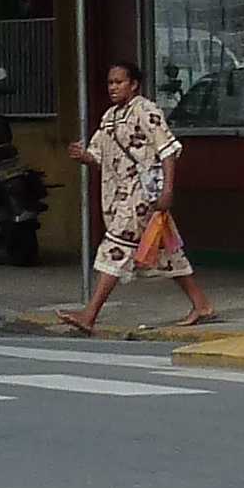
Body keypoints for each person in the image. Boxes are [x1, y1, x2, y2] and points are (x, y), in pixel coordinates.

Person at [66, 59, 219, 335]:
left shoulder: (146, 110)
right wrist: (82, 156)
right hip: (116, 196)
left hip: (139, 196)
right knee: (166, 252)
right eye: (110, 83)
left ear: (133, 84)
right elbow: (97, 156)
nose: (113, 87)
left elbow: (168, 150)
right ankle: (202, 304)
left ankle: (89, 314)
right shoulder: (110, 117)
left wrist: (167, 190)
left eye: (119, 82)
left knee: (115, 247)